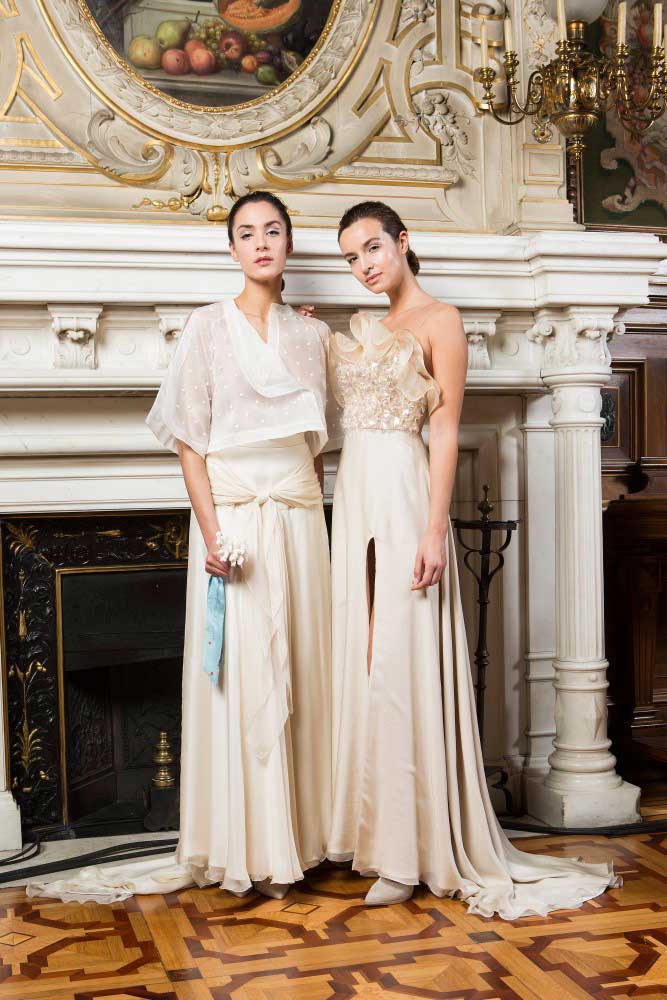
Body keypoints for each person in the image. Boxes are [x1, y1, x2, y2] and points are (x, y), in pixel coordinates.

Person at [27, 192, 332, 904]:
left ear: (289, 244)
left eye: (273, 230)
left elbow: (316, 449)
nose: (261, 242)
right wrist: (214, 533)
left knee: (303, 671)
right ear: (232, 250)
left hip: (299, 519)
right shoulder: (205, 327)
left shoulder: (314, 335)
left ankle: (302, 841)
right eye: (247, 233)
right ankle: (247, 849)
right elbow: (190, 445)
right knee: (245, 679)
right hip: (234, 522)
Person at [326, 200, 619, 917]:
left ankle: (411, 850)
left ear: (402, 242)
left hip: (404, 497)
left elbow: (446, 428)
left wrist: (434, 531)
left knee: (401, 663)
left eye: (372, 248)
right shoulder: (362, 329)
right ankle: (370, 834)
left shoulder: (441, 321)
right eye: (351, 257)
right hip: (354, 498)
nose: (363, 265)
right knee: (365, 658)